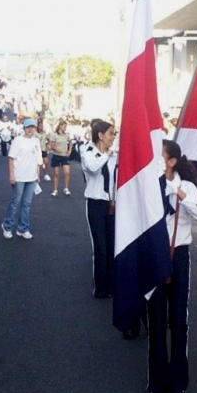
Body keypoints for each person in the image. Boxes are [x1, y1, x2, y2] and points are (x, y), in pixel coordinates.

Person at [146, 139, 197, 393]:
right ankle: (156, 383)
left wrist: (178, 191)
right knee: (156, 320)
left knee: (179, 320)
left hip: (179, 255)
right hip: (154, 255)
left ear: (172, 161)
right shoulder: (149, 185)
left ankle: (178, 382)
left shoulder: (187, 186)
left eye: (160, 157)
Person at [81, 120, 117, 299]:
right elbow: (93, 168)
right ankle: (100, 288)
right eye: (111, 134)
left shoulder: (114, 155)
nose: (113, 137)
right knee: (100, 247)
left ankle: (112, 286)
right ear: (100, 135)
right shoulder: (87, 152)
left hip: (111, 205)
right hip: (95, 204)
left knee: (111, 246)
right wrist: (107, 154)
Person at [1, 118, 41, 240]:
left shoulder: (36, 141)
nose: (30, 129)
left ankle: (23, 228)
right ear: (24, 128)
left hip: (31, 177)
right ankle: (7, 226)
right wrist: (11, 174)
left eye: (32, 127)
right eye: (28, 127)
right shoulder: (18, 140)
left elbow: (38, 160)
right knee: (15, 202)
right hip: (19, 176)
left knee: (26, 204)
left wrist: (38, 175)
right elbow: (11, 158)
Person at [48, 119, 73, 196]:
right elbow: (52, 145)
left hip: (64, 156)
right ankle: (55, 190)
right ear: (60, 126)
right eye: (64, 126)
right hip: (56, 156)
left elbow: (71, 142)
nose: (65, 128)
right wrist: (56, 149)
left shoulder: (67, 135)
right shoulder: (54, 135)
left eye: (66, 126)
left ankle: (66, 188)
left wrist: (69, 151)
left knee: (67, 172)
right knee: (56, 174)